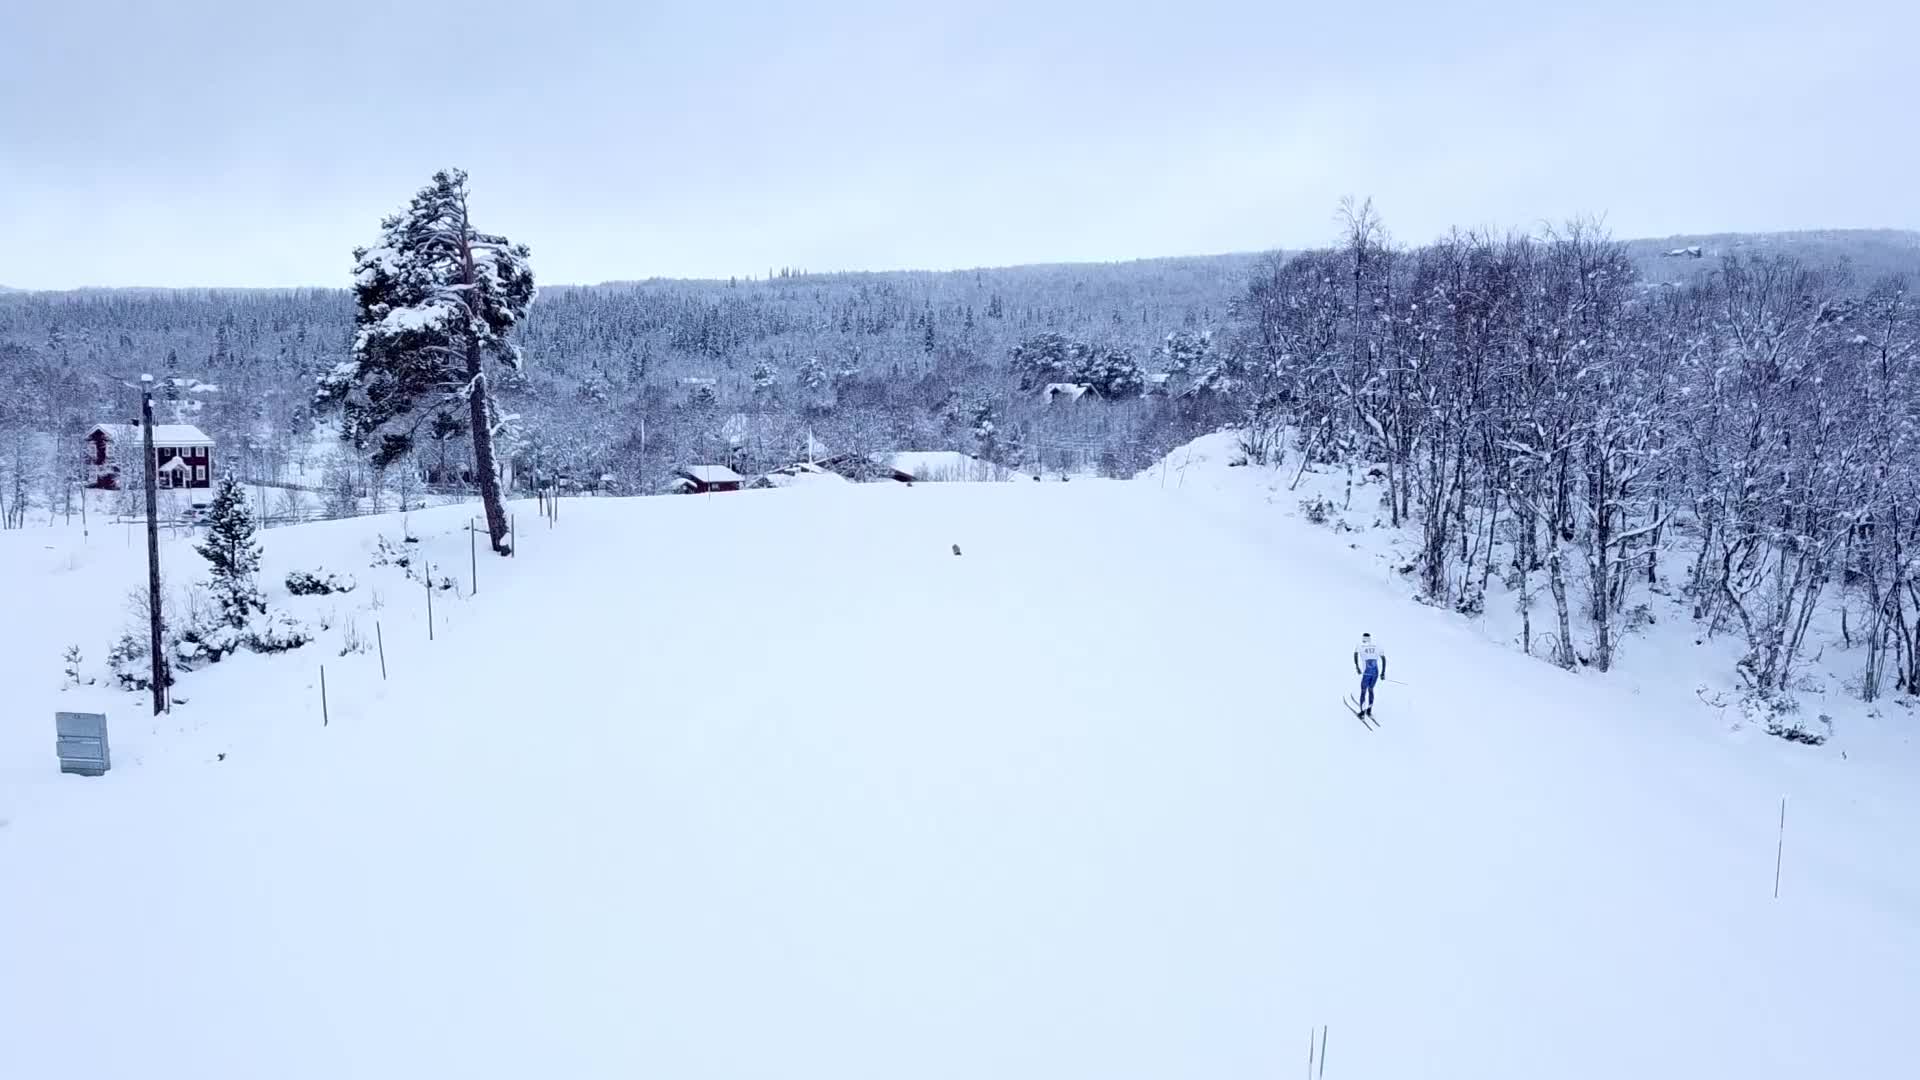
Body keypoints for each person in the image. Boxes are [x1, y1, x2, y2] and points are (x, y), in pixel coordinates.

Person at [1353, 633, 1386, 717]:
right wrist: (1383, 673)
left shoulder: (1359, 645)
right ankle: (1369, 710)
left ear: (1363, 638)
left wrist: (1357, 667)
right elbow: (1383, 658)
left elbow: (1355, 655)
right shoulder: (1377, 645)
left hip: (1367, 672)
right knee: (1371, 689)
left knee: (1363, 690)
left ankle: (1362, 713)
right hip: (1375, 672)